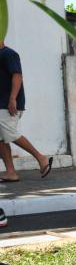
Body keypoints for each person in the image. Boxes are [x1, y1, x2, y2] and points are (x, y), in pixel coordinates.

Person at [0, 40, 52, 182]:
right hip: (1, 103)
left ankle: (41, 158)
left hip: (8, 104)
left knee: (10, 133)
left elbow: (17, 76)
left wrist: (12, 98)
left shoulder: (8, 54)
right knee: (1, 139)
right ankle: (11, 172)